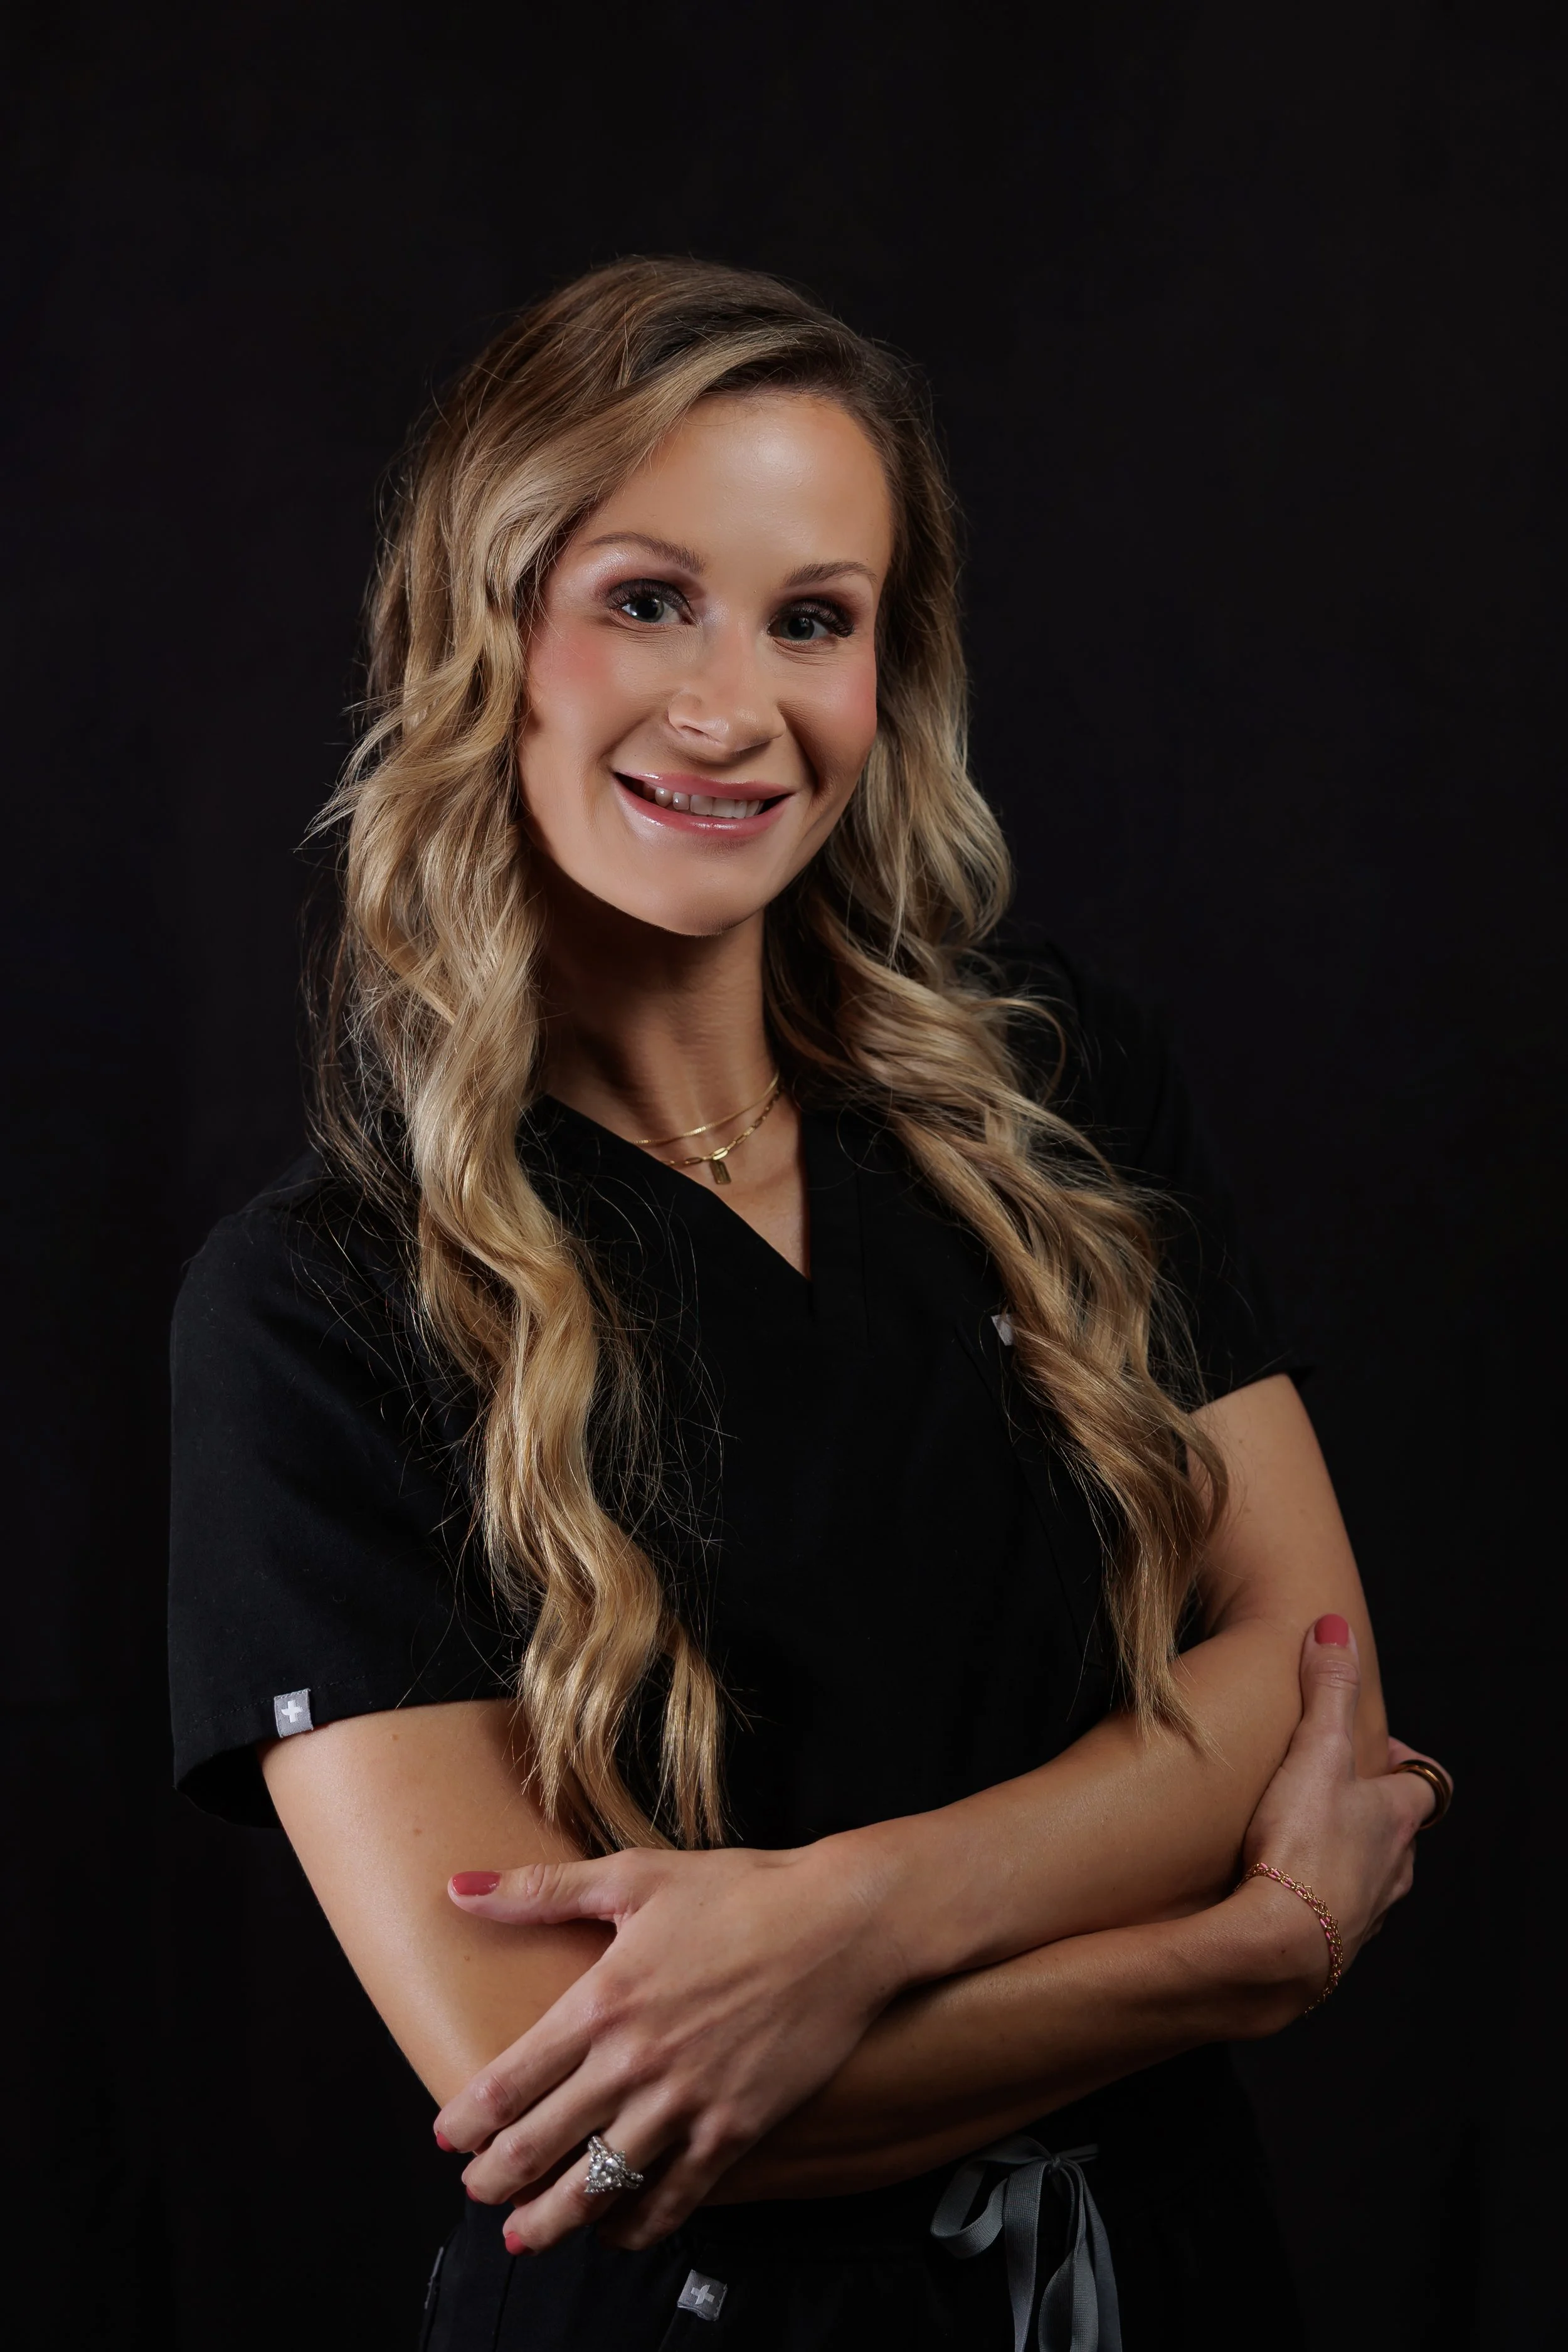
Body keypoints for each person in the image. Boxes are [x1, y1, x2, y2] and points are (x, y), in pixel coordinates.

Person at [168, 258, 1451, 2351]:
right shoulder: (313, 1306)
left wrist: (845, 1915)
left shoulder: (1057, 1094)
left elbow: (1308, 1682)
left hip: (1169, 2285)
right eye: (647, 596)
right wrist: (1236, 1955)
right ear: (481, 632)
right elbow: (568, 2100)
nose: (731, 704)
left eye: (813, 618)